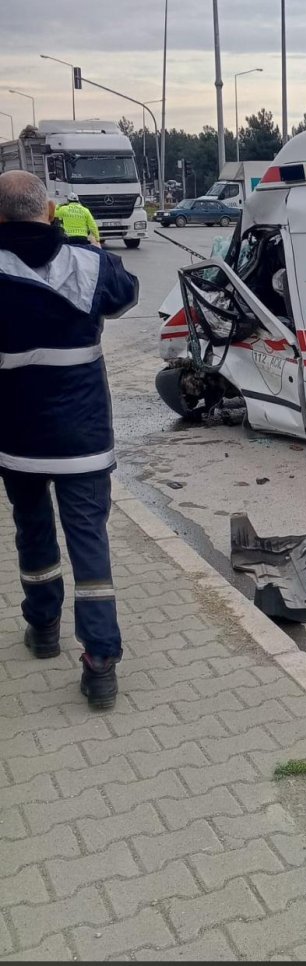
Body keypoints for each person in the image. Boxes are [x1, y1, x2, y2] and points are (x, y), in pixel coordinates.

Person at [0, 170, 138, 709]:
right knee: (89, 541)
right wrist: (80, 245)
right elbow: (125, 294)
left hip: (18, 436)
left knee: (33, 533)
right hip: (83, 436)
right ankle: (101, 663)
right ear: (52, 212)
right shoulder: (89, 263)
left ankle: (43, 629)